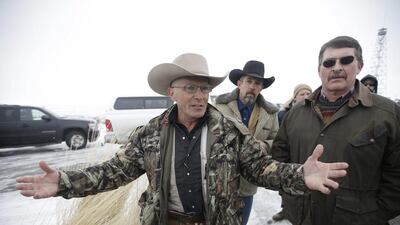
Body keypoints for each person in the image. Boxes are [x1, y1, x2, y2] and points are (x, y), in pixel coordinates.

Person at [16, 53, 349, 225]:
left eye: (204, 88)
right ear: (171, 92)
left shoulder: (229, 131)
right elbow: (110, 172)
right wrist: (63, 182)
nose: (199, 95)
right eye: (190, 87)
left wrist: (299, 176)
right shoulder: (149, 135)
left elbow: (262, 169)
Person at [271, 36, 400, 225]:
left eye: (346, 60)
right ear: (319, 70)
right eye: (329, 62)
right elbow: (280, 156)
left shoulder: (387, 113)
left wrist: (375, 214)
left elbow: (396, 174)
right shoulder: (296, 113)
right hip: (302, 217)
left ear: (360, 66)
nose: (337, 67)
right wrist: (291, 196)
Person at [213, 60, 279, 224]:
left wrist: (264, 145)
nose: (252, 86)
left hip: (247, 185)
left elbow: (277, 141)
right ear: (239, 82)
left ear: (261, 87)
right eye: (249, 81)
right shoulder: (220, 107)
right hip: (218, 183)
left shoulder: (270, 114)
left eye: (257, 83)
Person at [272, 83, 312, 222]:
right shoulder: (284, 114)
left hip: (307, 156)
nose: (306, 96)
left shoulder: (314, 113)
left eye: (308, 93)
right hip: (290, 157)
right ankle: (285, 209)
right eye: (302, 94)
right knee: (287, 187)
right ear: (295, 97)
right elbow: (279, 139)